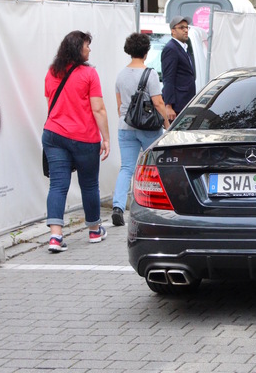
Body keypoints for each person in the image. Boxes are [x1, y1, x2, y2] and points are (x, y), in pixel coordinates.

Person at [43, 31, 110, 253]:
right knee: (89, 184)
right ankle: (93, 230)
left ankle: (55, 236)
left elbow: (50, 102)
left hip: (54, 135)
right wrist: (106, 138)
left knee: (58, 185)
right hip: (84, 137)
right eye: (86, 46)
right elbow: (98, 109)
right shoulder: (90, 74)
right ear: (76, 49)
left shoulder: (52, 72)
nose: (89, 49)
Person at [111, 33, 170, 226]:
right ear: (146, 51)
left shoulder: (120, 75)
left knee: (127, 167)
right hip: (148, 128)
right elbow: (159, 102)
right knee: (157, 164)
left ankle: (118, 207)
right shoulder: (150, 74)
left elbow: (120, 107)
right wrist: (168, 124)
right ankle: (160, 204)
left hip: (125, 127)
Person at [161, 15, 196, 122]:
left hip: (186, 102)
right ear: (173, 31)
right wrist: (168, 105)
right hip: (177, 106)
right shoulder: (171, 49)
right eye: (181, 28)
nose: (185, 30)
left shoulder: (183, 47)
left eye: (187, 27)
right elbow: (168, 78)